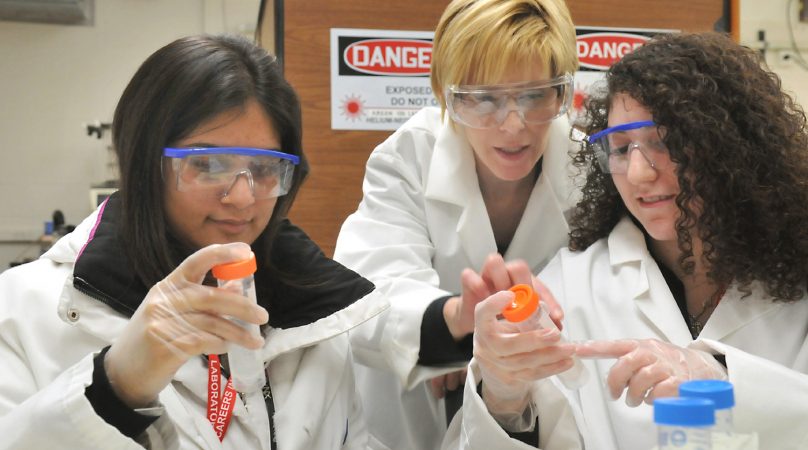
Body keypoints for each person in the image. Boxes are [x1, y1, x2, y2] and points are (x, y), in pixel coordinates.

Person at [0, 34, 387, 449]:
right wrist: (114, 388)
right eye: (208, 164)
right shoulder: (24, 311)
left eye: (265, 168)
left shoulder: (318, 316)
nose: (243, 197)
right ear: (144, 163)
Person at [469, 32, 808, 449]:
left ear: (730, 146)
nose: (637, 174)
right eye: (620, 148)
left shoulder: (798, 277)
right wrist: (504, 396)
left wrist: (723, 378)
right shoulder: (573, 286)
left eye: (663, 142)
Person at [333, 0, 583, 448]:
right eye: (484, 98)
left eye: (535, 95)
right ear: (447, 97)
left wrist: (483, 358)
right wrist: (455, 324)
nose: (514, 125)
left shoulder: (587, 167)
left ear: (561, 93)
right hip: (412, 422)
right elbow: (366, 301)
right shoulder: (409, 157)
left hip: (543, 413)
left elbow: (602, 303)